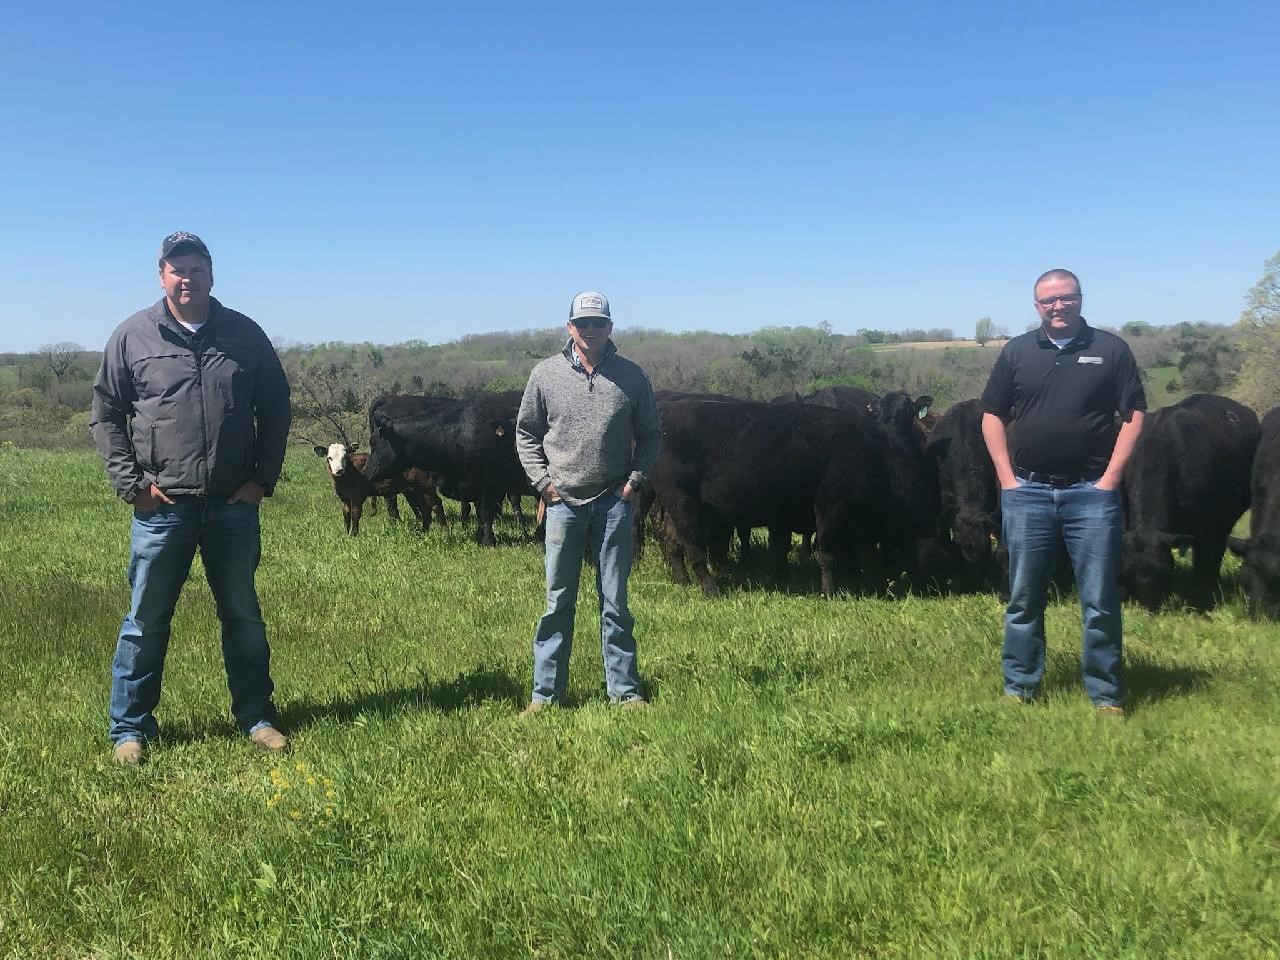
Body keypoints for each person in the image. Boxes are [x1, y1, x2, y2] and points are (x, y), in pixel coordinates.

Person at [90, 232, 292, 763]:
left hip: (232, 505)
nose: (187, 278)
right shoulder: (133, 336)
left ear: (211, 274)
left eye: (196, 269)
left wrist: (261, 480)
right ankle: (129, 730)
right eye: (176, 270)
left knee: (243, 615)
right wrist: (132, 485)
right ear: (162, 275)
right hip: (163, 508)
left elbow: (275, 408)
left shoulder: (244, 334)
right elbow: (106, 413)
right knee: (145, 620)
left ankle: (257, 717)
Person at [980, 269, 1146, 715]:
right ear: (1036, 306)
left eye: (1065, 298)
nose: (1057, 307)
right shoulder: (1017, 351)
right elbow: (992, 414)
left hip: (1091, 494)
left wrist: (1110, 479)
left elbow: (1133, 414)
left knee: (1099, 600)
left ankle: (1106, 694)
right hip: (1028, 491)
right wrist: (1006, 479)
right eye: (1047, 301)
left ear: (1080, 299)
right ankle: (1020, 686)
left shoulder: (1110, 349)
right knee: (1023, 598)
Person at [516, 291, 662, 712]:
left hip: (614, 502)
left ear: (610, 328)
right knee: (558, 601)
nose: (591, 330)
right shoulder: (545, 375)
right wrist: (544, 485)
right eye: (583, 323)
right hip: (563, 503)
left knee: (615, 601)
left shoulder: (632, 377)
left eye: (599, 323)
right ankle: (545, 696)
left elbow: (652, 434)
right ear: (570, 328)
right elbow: (526, 433)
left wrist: (634, 482)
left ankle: (626, 692)